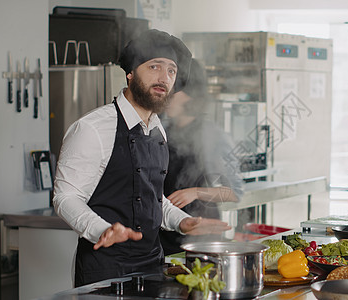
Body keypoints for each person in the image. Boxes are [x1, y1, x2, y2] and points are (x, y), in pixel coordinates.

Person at [52, 29, 231, 287]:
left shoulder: (159, 131)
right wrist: (102, 229)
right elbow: (65, 197)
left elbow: (152, 197)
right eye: (154, 66)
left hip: (152, 265)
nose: (164, 77)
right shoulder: (92, 128)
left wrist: (182, 221)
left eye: (171, 70)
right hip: (104, 270)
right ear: (131, 73)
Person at [159, 59, 243, 255]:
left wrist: (195, 192)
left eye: (174, 88)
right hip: (164, 235)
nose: (166, 93)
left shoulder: (210, 134)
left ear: (191, 96)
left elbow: (233, 192)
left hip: (201, 237)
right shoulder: (162, 130)